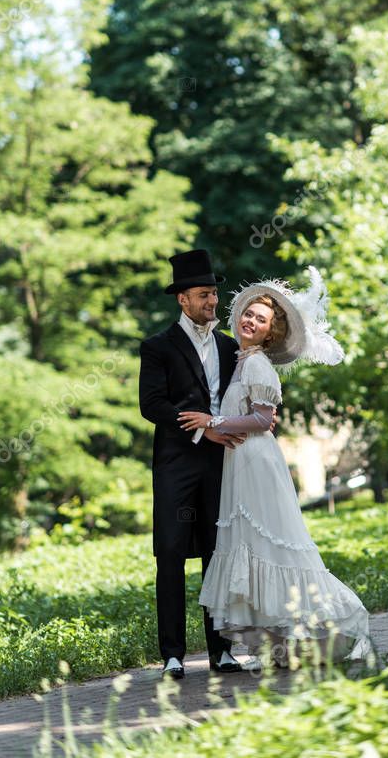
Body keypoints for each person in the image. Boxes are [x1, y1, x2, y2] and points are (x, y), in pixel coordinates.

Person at [178, 266, 373, 670]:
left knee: (272, 543)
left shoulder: (257, 366)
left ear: (271, 333)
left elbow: (263, 420)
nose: (250, 321)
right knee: (253, 544)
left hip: (257, 462)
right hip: (241, 462)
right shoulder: (244, 361)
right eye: (248, 314)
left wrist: (210, 422)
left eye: (260, 319)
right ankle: (283, 646)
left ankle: (325, 620)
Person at [139, 249, 254, 680]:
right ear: (183, 299)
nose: (213, 302)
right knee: (169, 554)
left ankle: (220, 651)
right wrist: (201, 428)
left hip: (222, 463)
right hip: (175, 464)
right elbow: (151, 405)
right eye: (204, 295)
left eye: (214, 294)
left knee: (216, 552)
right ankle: (171, 654)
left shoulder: (230, 347)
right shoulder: (156, 347)